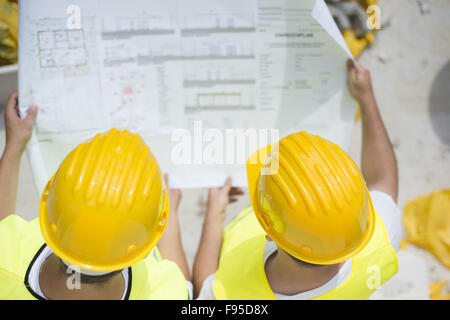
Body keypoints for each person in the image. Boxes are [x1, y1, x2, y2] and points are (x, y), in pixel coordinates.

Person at [193, 60, 401, 299]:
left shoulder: (231, 294)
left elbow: (203, 285)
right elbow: (383, 181)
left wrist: (213, 215)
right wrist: (366, 99)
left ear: (268, 231)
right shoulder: (378, 245)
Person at [0, 93, 191, 300]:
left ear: (48, 206)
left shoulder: (6, 263)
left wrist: (14, 146)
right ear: (146, 249)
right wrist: (167, 221)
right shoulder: (164, 290)